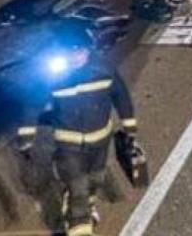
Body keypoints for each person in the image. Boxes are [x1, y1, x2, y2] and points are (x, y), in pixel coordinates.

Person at [16, 39, 137, 236]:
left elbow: (121, 96)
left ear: (88, 51)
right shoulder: (53, 78)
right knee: (78, 186)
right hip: (68, 145)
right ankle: (79, 226)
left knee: (95, 180)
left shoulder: (103, 70)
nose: (75, 56)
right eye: (70, 52)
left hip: (100, 142)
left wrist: (129, 126)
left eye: (79, 51)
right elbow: (32, 105)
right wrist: (26, 137)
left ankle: (83, 207)